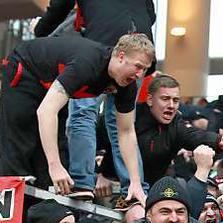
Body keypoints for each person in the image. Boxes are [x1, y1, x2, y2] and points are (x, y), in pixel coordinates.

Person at [0, 33, 151, 204]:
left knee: (51, 161)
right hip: (26, 68)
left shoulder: (127, 85)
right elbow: (46, 111)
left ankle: (40, 215)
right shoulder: (87, 64)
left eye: (145, 69)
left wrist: (135, 182)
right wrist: (55, 166)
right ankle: (9, 214)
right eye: (138, 66)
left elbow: (126, 132)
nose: (140, 75)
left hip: (53, 85)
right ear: (121, 57)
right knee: (19, 143)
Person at [33, 0, 158, 200]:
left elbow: (60, 6)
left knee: (83, 115)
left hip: (101, 46)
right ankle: (133, 187)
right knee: (123, 125)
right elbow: (150, 13)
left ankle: (82, 183)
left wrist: (40, 30)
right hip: (138, 52)